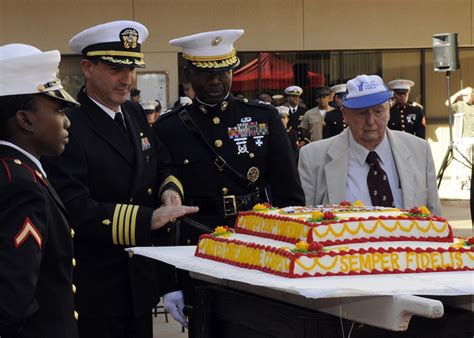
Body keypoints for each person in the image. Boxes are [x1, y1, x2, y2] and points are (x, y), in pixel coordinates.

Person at [41, 20, 198, 338]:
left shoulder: (134, 114)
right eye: (115, 68)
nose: (127, 79)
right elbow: (73, 207)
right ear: (87, 68)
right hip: (96, 287)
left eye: (132, 68)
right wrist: (148, 219)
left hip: (139, 283)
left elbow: (162, 163)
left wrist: (169, 191)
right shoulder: (69, 124)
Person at [0, 43, 79, 337]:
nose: (67, 121)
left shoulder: (15, 172)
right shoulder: (22, 187)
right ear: (25, 119)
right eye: (58, 110)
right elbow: (12, 303)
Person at [298, 74, 441, 215]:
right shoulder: (313, 158)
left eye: (378, 111)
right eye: (362, 113)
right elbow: (305, 223)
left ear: (388, 111)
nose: (371, 121)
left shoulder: (419, 150)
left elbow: (434, 219)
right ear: (345, 115)